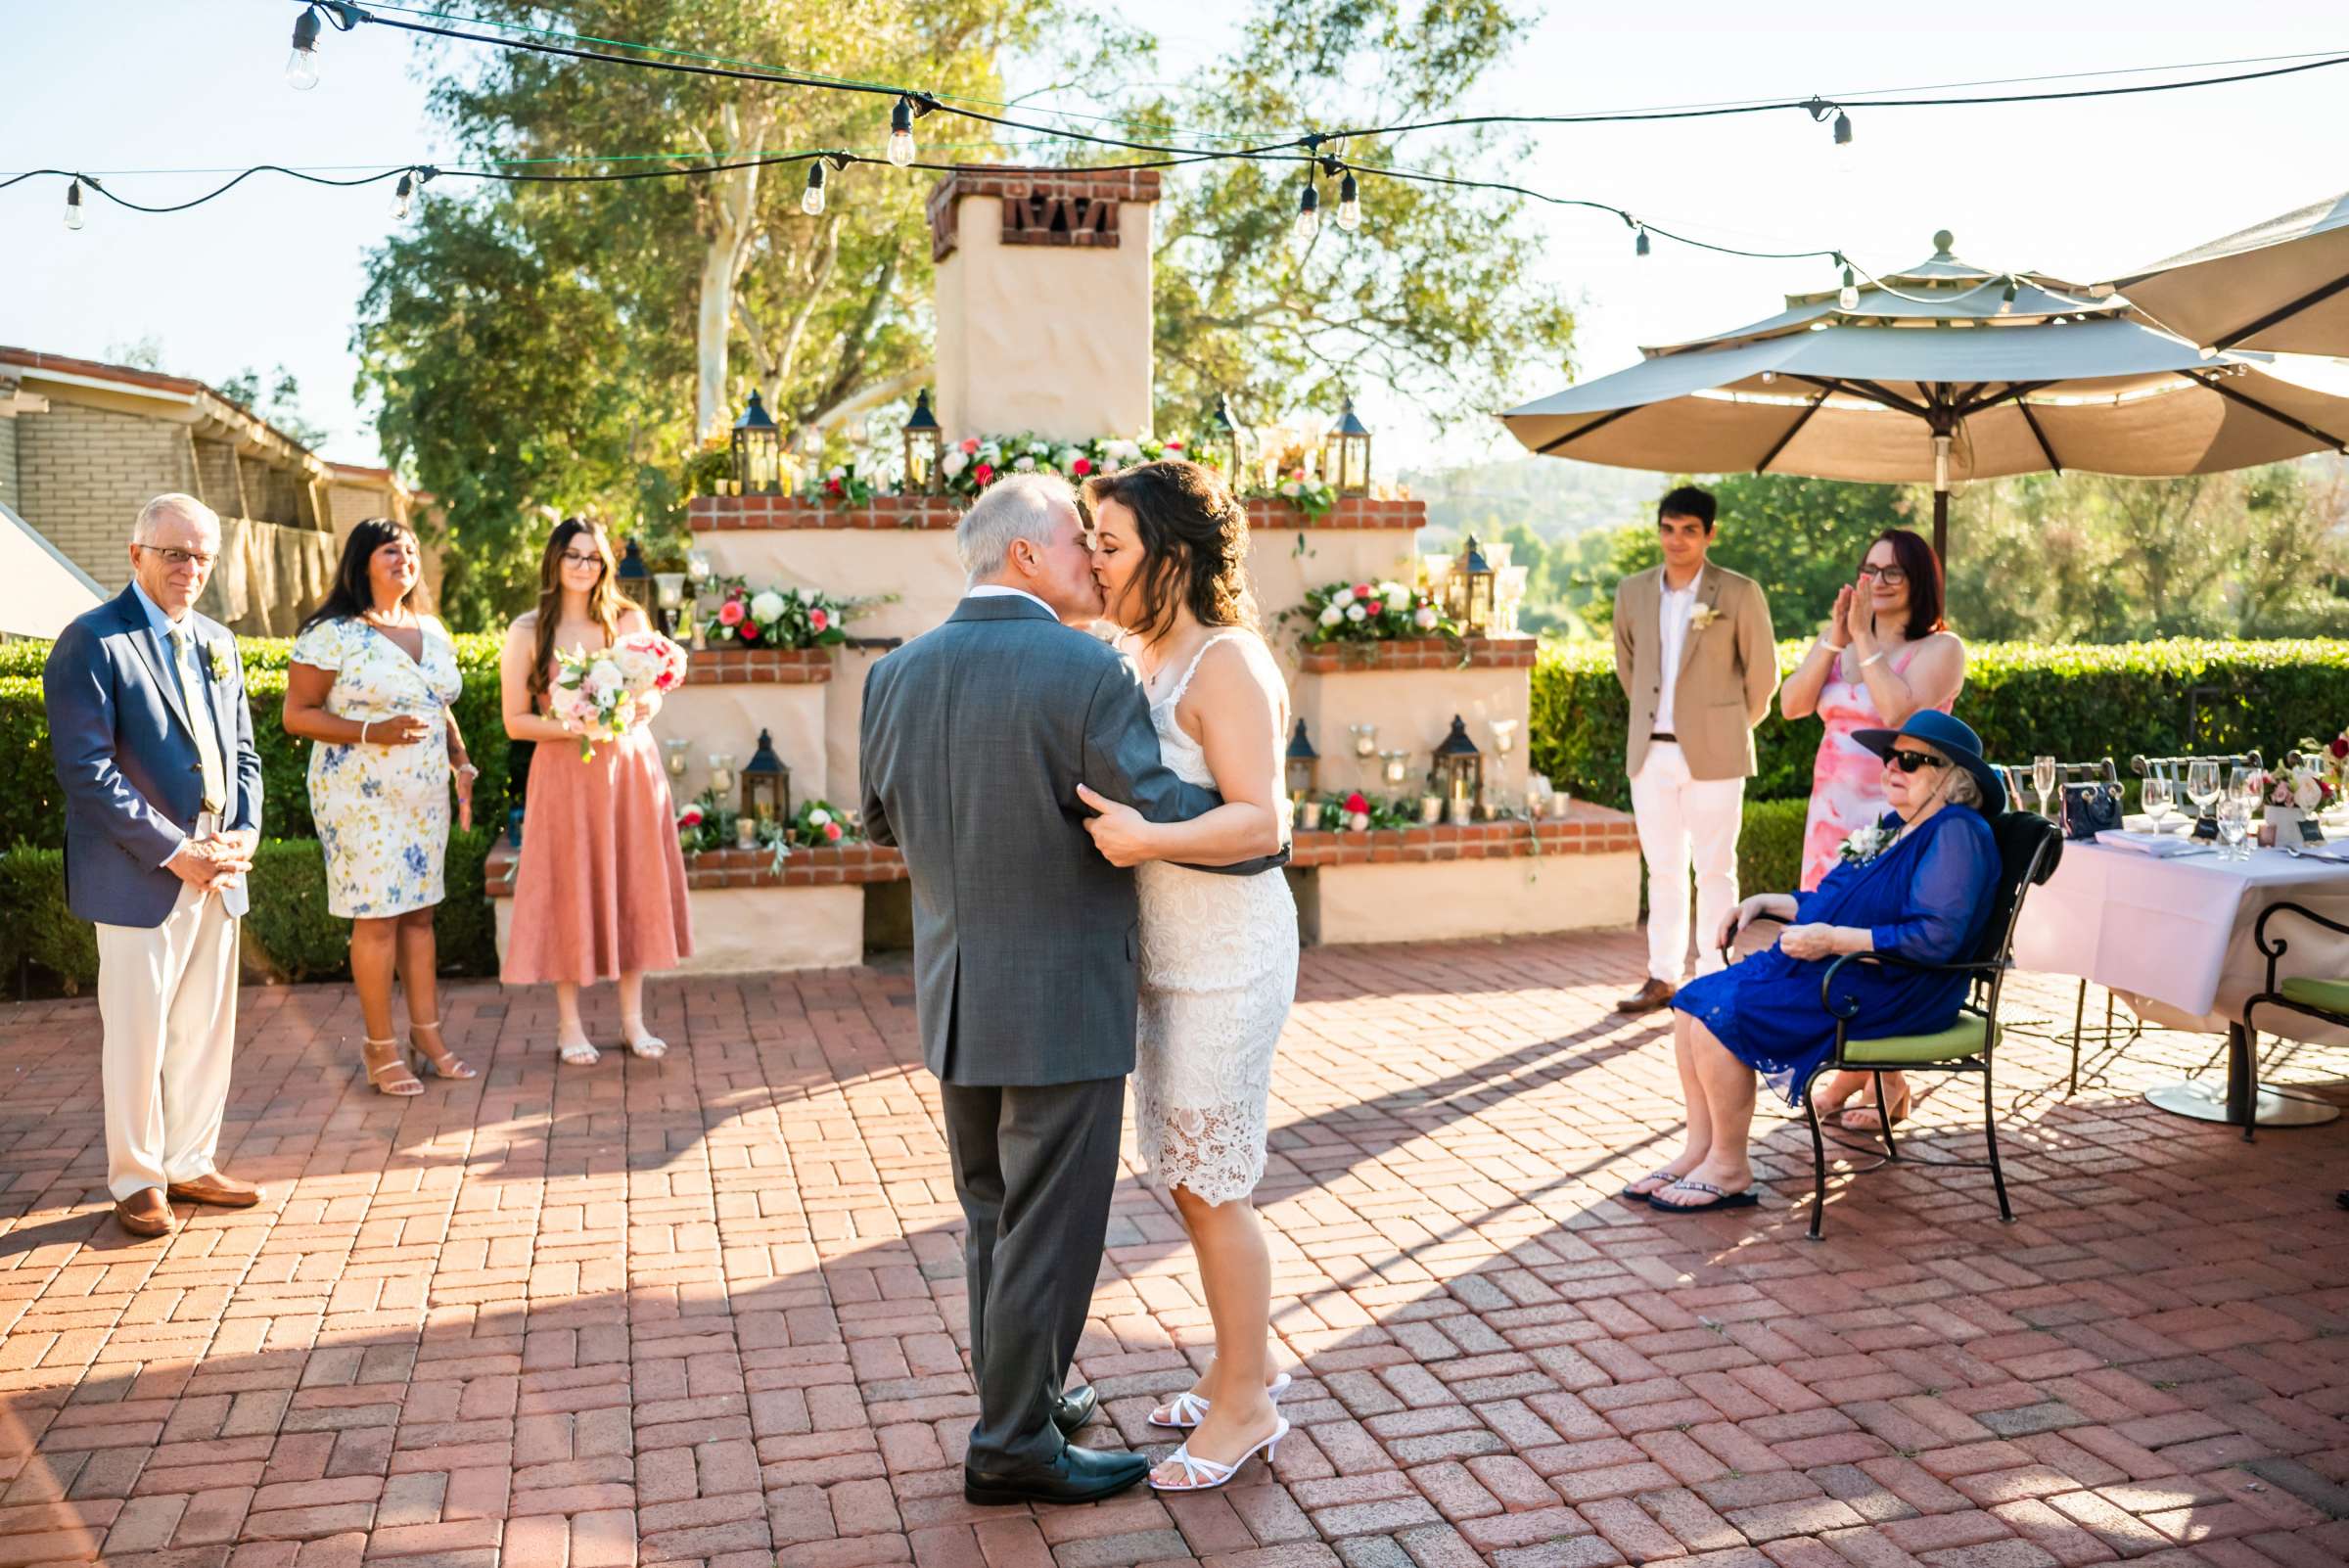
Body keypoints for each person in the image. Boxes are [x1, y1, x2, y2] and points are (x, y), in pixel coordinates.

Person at [858, 472, 1285, 1508]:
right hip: (1064, 996)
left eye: (1109, 545)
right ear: (1027, 556)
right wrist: (1242, 813)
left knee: (992, 1216)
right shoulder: (1086, 672)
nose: (1093, 562)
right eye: (1078, 544)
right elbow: (1147, 801)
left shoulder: (894, 674)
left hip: (959, 989)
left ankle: (1030, 1403)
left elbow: (882, 823)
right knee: (1052, 1224)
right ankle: (1015, 1442)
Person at [1075, 461, 1297, 1495]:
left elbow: (1264, 822)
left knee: (1216, 1184)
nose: (1094, 559)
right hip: (1165, 958)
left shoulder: (1228, 662)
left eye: (1109, 543)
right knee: (1183, 1175)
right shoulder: (1136, 649)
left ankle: (1250, 1405)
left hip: (1231, 956)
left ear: (1168, 552)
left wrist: (1146, 837)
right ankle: (1229, 1368)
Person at [1626, 711, 2004, 1212]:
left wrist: (1831, 941)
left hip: (1901, 986)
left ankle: (1729, 1166)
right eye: (1891, 756)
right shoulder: (1898, 825)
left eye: (1911, 760)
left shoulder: (1957, 831)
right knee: (1694, 1003)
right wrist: (1766, 902)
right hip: (1853, 969)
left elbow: (1934, 939)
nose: (1892, 766)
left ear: (1953, 778)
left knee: (1724, 1014)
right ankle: (1701, 1149)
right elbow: (1832, 901)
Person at [42, 494, 266, 1238]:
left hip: (219, 865)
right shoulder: (93, 641)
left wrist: (245, 833)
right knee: (138, 1030)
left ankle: (191, 1161)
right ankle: (138, 1180)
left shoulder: (219, 642)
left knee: (204, 1025)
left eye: (202, 555)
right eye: (175, 552)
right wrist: (177, 851)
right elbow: (86, 769)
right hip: (142, 870)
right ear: (136, 555)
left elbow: (243, 752)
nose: (190, 568)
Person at [283, 518, 479, 1095]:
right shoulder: (332, 634)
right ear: (362, 561)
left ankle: (428, 1036)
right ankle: (379, 1049)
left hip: (423, 797)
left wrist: (460, 761)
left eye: (412, 550)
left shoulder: (431, 628)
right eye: (391, 549)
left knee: (420, 914)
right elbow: (298, 714)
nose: (405, 558)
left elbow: (437, 703)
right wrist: (374, 730)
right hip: (358, 797)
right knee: (377, 917)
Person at [1777, 528, 1964, 1130]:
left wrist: (1863, 638)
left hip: (1898, 814)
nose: (1876, 582)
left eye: (1892, 573)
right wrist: (1835, 639)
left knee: (1877, 941)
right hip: (1831, 812)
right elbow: (1792, 704)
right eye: (1869, 569)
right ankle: (1851, 1069)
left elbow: (1898, 715)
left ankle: (1889, 1079)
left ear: (1919, 584)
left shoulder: (1941, 650)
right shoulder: (1844, 640)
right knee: (1827, 933)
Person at [498, 519, 693, 1064]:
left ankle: (633, 1021)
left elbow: (653, 696)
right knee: (570, 887)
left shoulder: (628, 620)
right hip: (564, 776)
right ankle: (569, 1027)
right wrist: (576, 727)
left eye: (594, 558)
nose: (585, 567)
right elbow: (515, 721)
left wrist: (634, 710)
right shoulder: (527, 631)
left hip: (630, 770)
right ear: (554, 561)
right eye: (574, 556)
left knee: (632, 884)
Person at [1612, 485, 1779, 1016]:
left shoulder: (1738, 592)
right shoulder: (1632, 591)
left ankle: (1711, 974)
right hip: (1651, 753)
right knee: (1662, 867)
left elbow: (1763, 676)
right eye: (1668, 528)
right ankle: (1662, 975)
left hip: (1716, 753)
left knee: (1714, 866)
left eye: (1689, 530)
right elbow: (1628, 668)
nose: (1676, 540)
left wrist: (1726, 728)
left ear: (1710, 534)